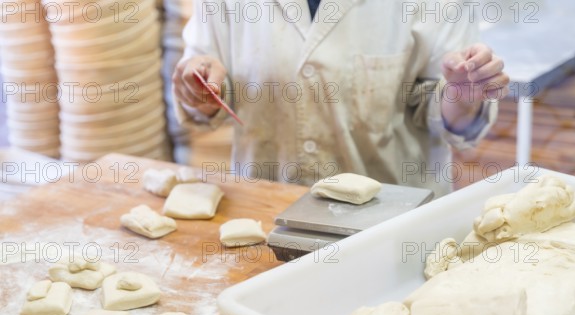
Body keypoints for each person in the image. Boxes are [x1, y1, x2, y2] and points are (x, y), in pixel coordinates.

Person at [172, 1, 509, 197]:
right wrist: (200, 89)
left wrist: (463, 96)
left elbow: (446, 111)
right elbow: (205, 78)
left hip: (390, 224)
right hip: (268, 211)